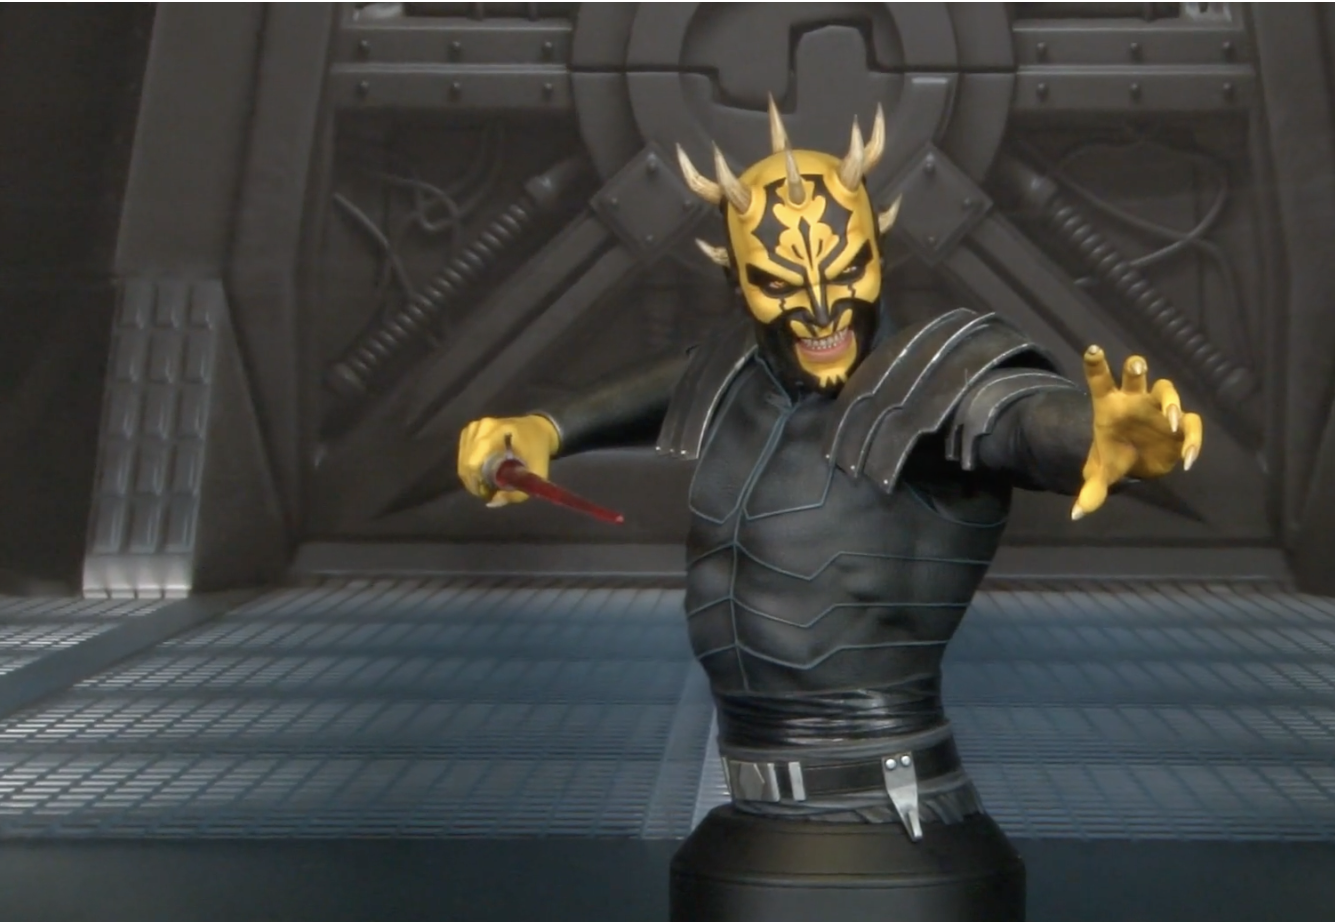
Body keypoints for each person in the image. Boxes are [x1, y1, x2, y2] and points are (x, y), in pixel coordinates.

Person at [456, 100, 1203, 841]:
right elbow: (670, 382)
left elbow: (1016, 416)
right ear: (736, 277)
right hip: (755, 818)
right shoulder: (737, 370)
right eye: (780, 284)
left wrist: (1098, 439)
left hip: (890, 821)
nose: (820, 311)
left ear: (879, 252)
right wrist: (543, 429)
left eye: (846, 272)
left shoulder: (941, 380)